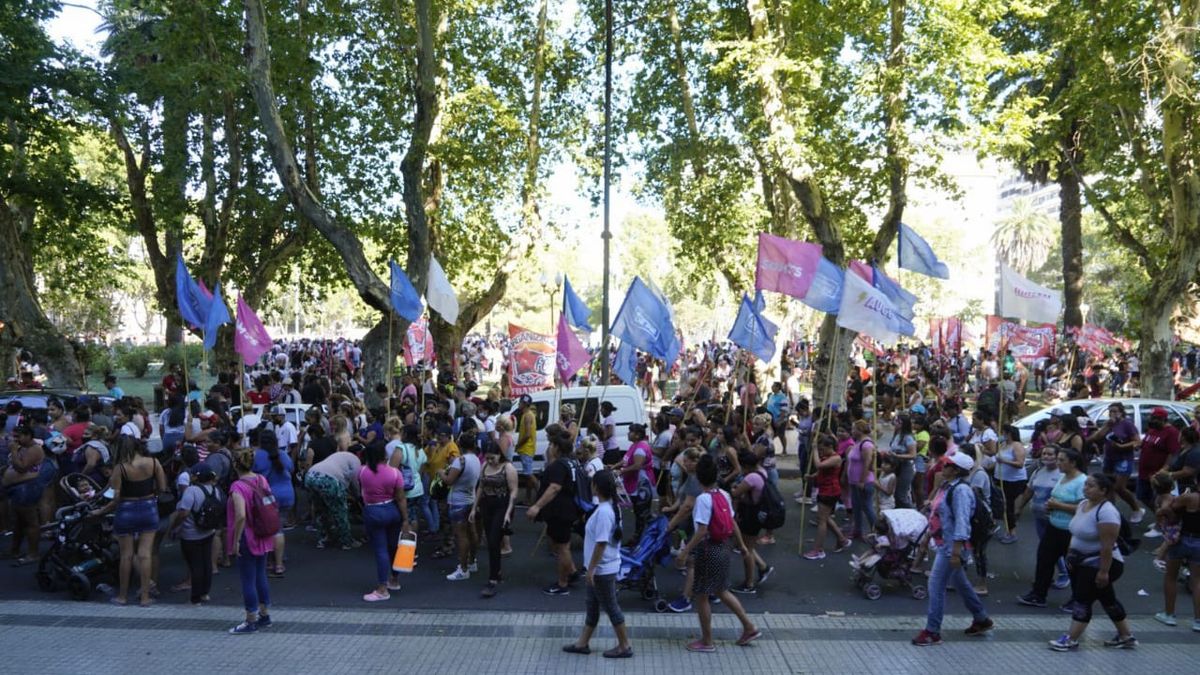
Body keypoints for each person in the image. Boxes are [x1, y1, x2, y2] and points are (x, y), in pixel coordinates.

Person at [675, 454, 761, 652]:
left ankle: (707, 641)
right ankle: (749, 626)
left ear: (698, 477)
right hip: (724, 547)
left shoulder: (703, 500)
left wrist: (685, 551)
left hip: (707, 550)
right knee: (722, 590)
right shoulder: (724, 494)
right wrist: (741, 545)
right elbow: (732, 522)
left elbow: (702, 530)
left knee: (702, 596)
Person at [1047, 474, 1137, 651]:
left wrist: (1103, 571)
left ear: (1103, 491)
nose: (1085, 488)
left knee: (1082, 599)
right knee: (1107, 599)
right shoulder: (1083, 505)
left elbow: (1107, 546)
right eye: (1086, 485)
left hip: (1100, 564)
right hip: (1080, 561)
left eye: (1091, 486)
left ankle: (1071, 639)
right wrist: (1070, 555)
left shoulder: (1107, 512)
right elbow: (1076, 532)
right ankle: (1126, 635)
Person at [912, 451, 993, 646]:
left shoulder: (961, 491)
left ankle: (932, 631)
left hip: (952, 546)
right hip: (945, 543)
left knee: (935, 585)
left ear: (956, 470)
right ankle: (981, 619)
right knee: (960, 582)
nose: (943, 466)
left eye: (947, 465)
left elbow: (962, 522)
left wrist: (956, 550)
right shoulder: (947, 487)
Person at [562, 470, 633, 658]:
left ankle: (624, 646)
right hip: (603, 567)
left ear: (596, 487)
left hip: (602, 569)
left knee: (611, 606)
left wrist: (591, 569)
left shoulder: (603, 512)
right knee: (592, 605)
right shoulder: (611, 507)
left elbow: (601, 543)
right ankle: (582, 643)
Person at [88, 434, 166, 606]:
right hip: (149, 508)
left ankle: (122, 596)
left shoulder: (120, 468)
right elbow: (162, 487)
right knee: (145, 554)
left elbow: (115, 499)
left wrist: (100, 511)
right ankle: (145, 597)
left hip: (126, 509)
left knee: (126, 555)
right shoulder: (153, 462)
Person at [1019, 448, 1088, 609]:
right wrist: (1051, 506)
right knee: (1044, 560)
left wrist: (1058, 506)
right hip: (1053, 525)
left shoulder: (1082, 481)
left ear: (1073, 463)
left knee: (1073, 566)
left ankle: (1078, 599)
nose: (1058, 463)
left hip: (1070, 530)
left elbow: (1084, 507)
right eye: (1059, 460)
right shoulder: (1062, 477)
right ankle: (1038, 594)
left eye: (1062, 460)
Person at [527, 425, 582, 596]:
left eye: (551, 445)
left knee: (562, 547)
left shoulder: (558, 465)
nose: (549, 447)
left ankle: (562, 583)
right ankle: (571, 571)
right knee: (561, 544)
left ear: (557, 447)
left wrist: (537, 506)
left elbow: (554, 487)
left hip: (560, 511)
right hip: (570, 508)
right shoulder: (572, 462)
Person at [227, 447, 276, 634]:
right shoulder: (261, 479)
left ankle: (250, 619)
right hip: (263, 533)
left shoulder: (237, 487)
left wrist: (236, 540)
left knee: (248, 579)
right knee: (260, 575)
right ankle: (265, 614)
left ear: (235, 464)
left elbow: (240, 515)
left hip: (247, 536)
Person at [358, 440, 411, 602]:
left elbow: (360, 492)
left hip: (373, 511)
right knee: (393, 547)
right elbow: (401, 498)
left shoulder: (362, 472)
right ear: (384, 455)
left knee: (381, 550)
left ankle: (382, 588)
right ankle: (394, 580)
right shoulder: (395, 473)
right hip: (392, 510)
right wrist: (406, 519)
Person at [1013, 445, 1071, 591]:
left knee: (1056, 549)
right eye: (1044, 453)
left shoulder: (1062, 475)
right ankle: (1047, 575)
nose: (1046, 456)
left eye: (1050, 454)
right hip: (1039, 517)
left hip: (1056, 519)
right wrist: (1019, 508)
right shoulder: (1038, 472)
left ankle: (1065, 574)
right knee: (1046, 549)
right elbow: (1028, 492)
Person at [472, 438, 518, 598]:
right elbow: (481, 487)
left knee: (493, 540)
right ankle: (495, 572)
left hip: (502, 505)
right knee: (490, 541)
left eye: (493, 458)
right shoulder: (485, 466)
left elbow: (513, 492)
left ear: (500, 455)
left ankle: (493, 578)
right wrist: (474, 507)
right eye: (488, 458)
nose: (490, 461)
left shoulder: (508, 468)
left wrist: (508, 513)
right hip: (487, 504)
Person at [168, 466, 220, 605]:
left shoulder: (192, 491)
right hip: (209, 531)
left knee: (195, 565)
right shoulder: (215, 490)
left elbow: (184, 513)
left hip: (191, 534)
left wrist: (174, 527)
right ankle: (204, 593)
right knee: (206, 562)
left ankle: (195, 598)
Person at [1153, 485, 1199, 631]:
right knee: (1197, 580)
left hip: (1181, 539)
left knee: (1171, 576)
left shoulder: (1191, 497)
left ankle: (1169, 614)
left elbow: (1171, 506)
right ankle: (1198, 620)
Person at [1088, 403, 1143, 520]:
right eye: (1110, 411)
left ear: (1121, 412)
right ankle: (1110, 512)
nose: (1112, 413)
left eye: (1114, 411)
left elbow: (1137, 442)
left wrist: (1122, 446)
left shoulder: (1127, 425)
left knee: (1119, 487)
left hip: (1124, 459)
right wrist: (1107, 426)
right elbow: (1098, 437)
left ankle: (1137, 509)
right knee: (1108, 487)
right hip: (1109, 458)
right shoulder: (1109, 424)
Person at [2, 425, 48, 565]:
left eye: (18, 436)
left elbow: (21, 467)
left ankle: (33, 554)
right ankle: (14, 550)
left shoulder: (34, 449)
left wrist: (14, 451)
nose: (15, 440)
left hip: (27, 489)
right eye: (14, 436)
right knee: (19, 522)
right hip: (17, 488)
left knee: (31, 522)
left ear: (29, 436)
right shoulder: (23, 447)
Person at [729, 451, 773, 593]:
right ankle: (763, 567)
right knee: (749, 546)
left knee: (746, 549)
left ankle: (749, 583)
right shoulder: (761, 472)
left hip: (751, 516)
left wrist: (734, 489)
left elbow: (735, 493)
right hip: (757, 514)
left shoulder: (752, 477)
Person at [304, 445, 362, 550]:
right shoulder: (356, 460)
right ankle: (346, 541)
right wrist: (358, 496)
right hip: (328, 479)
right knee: (340, 511)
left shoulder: (339, 455)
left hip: (310, 476)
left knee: (320, 510)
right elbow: (354, 481)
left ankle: (323, 538)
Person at [803, 434, 851, 560]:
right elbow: (821, 471)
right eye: (819, 449)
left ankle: (818, 550)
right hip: (825, 489)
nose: (821, 451)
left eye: (822, 449)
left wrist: (814, 450)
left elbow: (819, 465)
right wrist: (812, 477)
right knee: (826, 518)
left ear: (830, 446)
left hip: (830, 491)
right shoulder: (828, 456)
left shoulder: (836, 458)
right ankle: (842, 539)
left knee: (822, 520)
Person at [252, 433, 294, 577]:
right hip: (288, 494)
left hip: (269, 496)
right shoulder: (283, 454)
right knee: (278, 528)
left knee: (270, 529)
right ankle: (279, 561)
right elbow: (291, 468)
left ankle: (275, 562)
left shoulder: (258, 456)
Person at [443, 434, 481, 582]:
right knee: (472, 532)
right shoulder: (477, 460)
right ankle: (472, 561)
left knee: (461, 535)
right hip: (470, 499)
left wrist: (441, 473)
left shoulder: (460, 461)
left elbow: (449, 481)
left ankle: (463, 568)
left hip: (458, 501)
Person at [1137, 407, 1180, 533]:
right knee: (1142, 496)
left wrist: (1164, 469)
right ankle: (1160, 517)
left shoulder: (1171, 432)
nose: (1152, 421)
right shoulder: (1152, 430)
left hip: (1158, 473)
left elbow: (1173, 453)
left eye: (1155, 418)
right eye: (1152, 418)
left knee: (1159, 500)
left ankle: (1161, 525)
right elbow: (1145, 444)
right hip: (1144, 471)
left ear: (1163, 419)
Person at [616, 423, 654, 545]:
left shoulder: (640, 448)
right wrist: (614, 466)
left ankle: (641, 539)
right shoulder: (634, 445)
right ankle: (640, 538)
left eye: (630, 431)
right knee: (639, 512)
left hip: (641, 484)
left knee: (641, 513)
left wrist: (622, 471)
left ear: (637, 435)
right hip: (635, 483)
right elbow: (625, 460)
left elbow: (637, 465)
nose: (628, 433)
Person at [996, 425, 1028, 544]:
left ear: (1008, 433)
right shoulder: (1003, 445)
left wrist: (1004, 461)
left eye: (1003, 432)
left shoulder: (1016, 445)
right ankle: (1008, 530)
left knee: (1008, 506)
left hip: (1013, 481)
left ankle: (1012, 532)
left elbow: (1020, 463)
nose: (1001, 435)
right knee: (1003, 506)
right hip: (1002, 479)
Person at [846, 420, 877, 540]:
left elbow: (867, 463)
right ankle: (857, 531)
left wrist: (862, 481)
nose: (852, 431)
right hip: (854, 481)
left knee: (867, 507)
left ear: (859, 430)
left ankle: (877, 531)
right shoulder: (858, 442)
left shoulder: (866, 444)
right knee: (856, 506)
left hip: (863, 482)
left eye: (854, 429)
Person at [514, 394, 539, 504]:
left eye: (520, 402)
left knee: (529, 474)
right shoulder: (527, 415)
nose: (519, 404)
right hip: (527, 449)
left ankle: (541, 492)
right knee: (527, 475)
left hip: (526, 449)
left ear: (524, 404)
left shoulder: (528, 416)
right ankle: (527, 499)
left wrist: (519, 444)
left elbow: (528, 434)